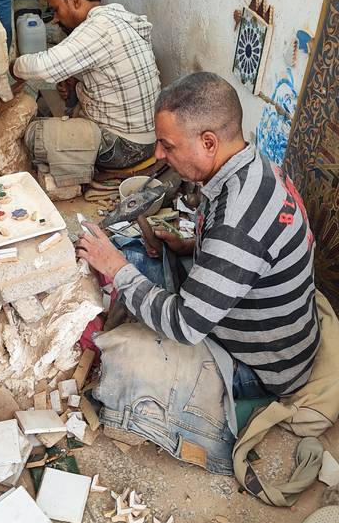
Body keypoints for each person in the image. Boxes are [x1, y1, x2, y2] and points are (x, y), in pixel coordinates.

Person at [76, 73, 321, 467]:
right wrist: (188, 246)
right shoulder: (248, 165)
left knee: (123, 353)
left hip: (262, 368)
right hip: (274, 331)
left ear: (209, 142)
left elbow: (186, 326)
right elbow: (248, 254)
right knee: (139, 257)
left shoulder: (237, 221)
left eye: (168, 145)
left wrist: (116, 268)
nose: (158, 155)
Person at [13, 0, 160, 182]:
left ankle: (78, 175)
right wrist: (76, 86)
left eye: (56, 9)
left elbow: (43, 67)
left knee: (34, 134)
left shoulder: (97, 28)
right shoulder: (118, 17)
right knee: (59, 104)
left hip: (125, 147)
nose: (55, 19)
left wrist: (13, 68)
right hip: (147, 137)